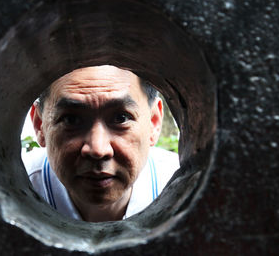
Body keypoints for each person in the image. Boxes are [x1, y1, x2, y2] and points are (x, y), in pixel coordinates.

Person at [22, 65, 179, 222]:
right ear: (39, 124)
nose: (98, 150)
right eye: (71, 120)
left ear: (154, 122)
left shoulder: (183, 190)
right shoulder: (16, 189)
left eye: (121, 118)